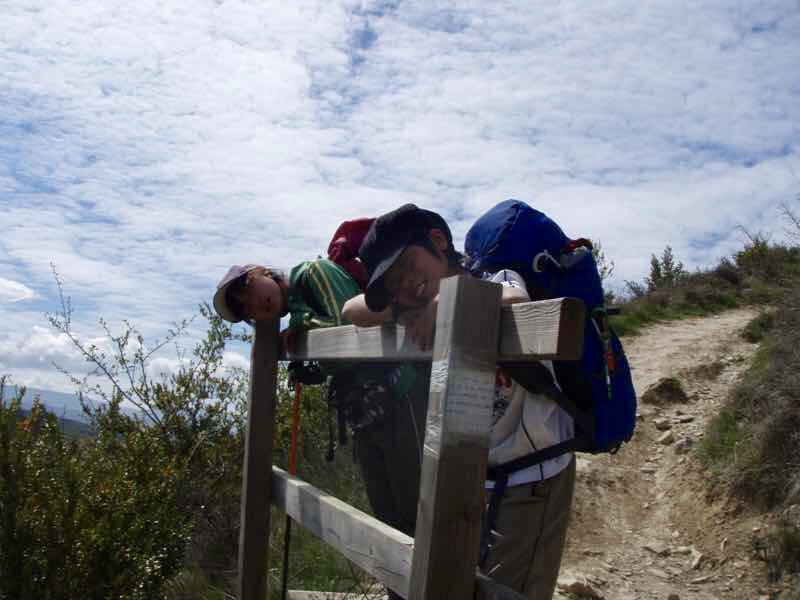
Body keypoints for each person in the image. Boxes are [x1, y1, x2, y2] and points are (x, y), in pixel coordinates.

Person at [342, 204, 576, 600]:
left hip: (535, 474)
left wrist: (443, 306)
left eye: (408, 263)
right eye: (393, 281)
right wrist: (404, 307)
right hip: (481, 481)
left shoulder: (491, 275)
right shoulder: (415, 305)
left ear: (438, 241)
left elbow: (515, 298)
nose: (406, 283)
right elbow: (351, 310)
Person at [213, 258, 429, 599]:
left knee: (414, 514)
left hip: (401, 395)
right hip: (370, 412)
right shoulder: (299, 303)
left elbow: (346, 333)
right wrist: (307, 363)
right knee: (388, 517)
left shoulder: (312, 274)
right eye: (245, 311)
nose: (255, 305)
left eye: (247, 291)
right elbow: (336, 357)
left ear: (260, 273)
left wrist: (299, 338)